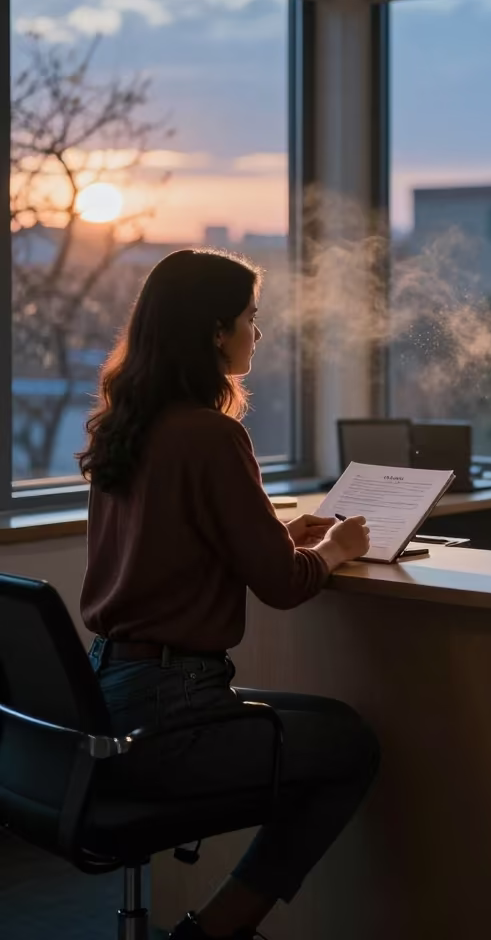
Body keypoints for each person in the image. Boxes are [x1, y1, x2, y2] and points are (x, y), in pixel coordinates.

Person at [78, 248, 378, 940]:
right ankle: (218, 930)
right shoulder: (212, 434)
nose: (257, 333)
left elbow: (170, 544)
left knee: (326, 723)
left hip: (108, 696)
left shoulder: (125, 425)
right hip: (173, 713)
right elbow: (283, 585)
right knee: (352, 745)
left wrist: (276, 531)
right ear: (215, 331)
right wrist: (334, 549)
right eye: (250, 318)